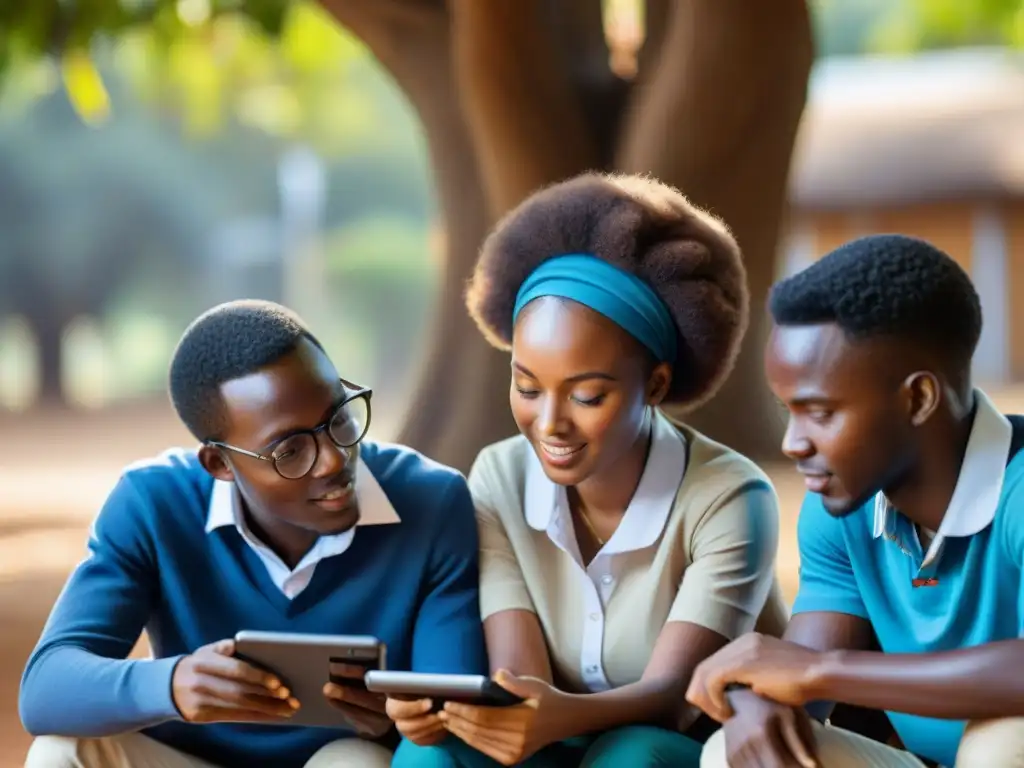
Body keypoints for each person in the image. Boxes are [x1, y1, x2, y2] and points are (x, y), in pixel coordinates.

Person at [388, 172, 790, 767]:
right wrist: (439, 711)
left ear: (654, 385)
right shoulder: (498, 476)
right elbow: (518, 677)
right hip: (558, 741)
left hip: (681, 746)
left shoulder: (730, 497)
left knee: (627, 756)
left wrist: (556, 717)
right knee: (429, 758)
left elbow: (674, 701)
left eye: (586, 396)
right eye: (527, 386)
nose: (549, 423)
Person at [19, 300, 488, 768]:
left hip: (337, 760)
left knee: (355, 760)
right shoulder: (153, 503)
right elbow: (45, 687)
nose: (333, 460)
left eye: (339, 418)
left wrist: (391, 716)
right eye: (291, 449)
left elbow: (453, 704)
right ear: (220, 464)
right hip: (189, 758)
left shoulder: (432, 501)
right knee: (61, 751)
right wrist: (174, 684)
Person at [687, 234, 1024, 768]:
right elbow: (802, 670)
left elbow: (815, 670)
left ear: (918, 398)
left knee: (1004, 743)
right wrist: (756, 701)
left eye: (819, 412)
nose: (792, 443)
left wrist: (821, 673)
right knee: (734, 749)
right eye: (788, 411)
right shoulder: (841, 509)